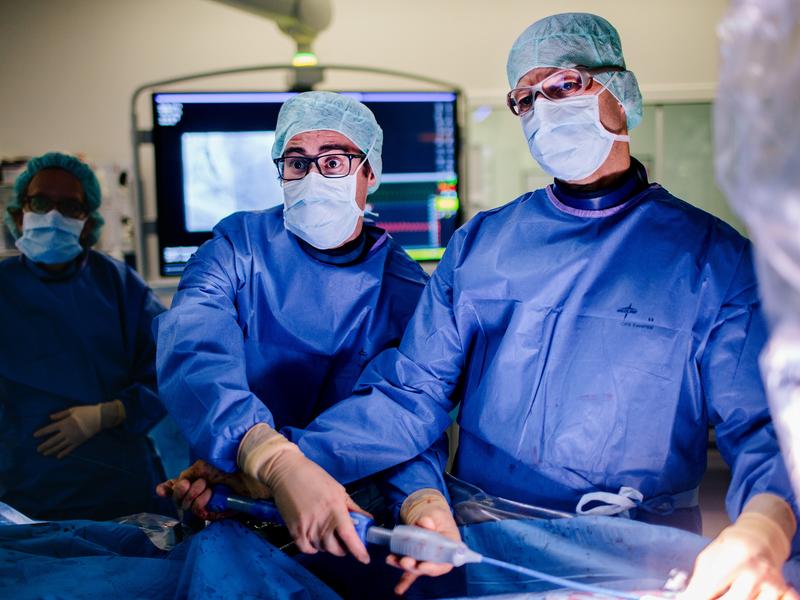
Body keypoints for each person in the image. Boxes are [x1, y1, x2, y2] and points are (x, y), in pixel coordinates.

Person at [264, 13, 800, 599]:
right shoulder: (483, 246)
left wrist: (762, 528)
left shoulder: (711, 261)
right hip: (483, 546)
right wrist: (277, 460)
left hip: (640, 559)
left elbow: (767, 428)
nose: (545, 108)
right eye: (525, 98)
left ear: (619, 89)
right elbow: (410, 396)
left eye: (565, 85)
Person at [153, 92, 451, 577]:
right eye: (297, 162)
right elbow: (192, 344)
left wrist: (421, 498)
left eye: (334, 161)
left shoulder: (406, 294)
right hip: (233, 503)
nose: (313, 177)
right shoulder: (237, 248)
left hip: (349, 516)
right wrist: (264, 455)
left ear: (369, 174)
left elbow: (407, 416)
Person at [0, 152, 171, 520]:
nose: (53, 216)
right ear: (18, 213)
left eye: (69, 207)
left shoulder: (119, 285)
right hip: (24, 496)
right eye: (41, 202)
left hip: (119, 489)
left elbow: (169, 369)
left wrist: (109, 413)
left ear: (88, 221)